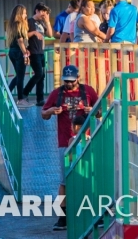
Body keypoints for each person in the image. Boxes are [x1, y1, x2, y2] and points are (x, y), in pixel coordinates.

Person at [41, 65, 98, 231]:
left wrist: (93, 110)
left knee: (92, 177)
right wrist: (52, 110)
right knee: (64, 180)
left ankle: (94, 213)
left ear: (78, 78)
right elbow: (43, 114)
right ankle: (63, 217)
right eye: (66, 82)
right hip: (65, 142)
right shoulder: (57, 93)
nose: (69, 84)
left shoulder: (88, 91)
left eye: (71, 82)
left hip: (88, 140)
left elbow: (102, 110)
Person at [22, 3, 53, 107]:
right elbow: (23, 35)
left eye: (45, 13)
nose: (43, 14)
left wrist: (47, 22)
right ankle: (25, 92)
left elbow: (50, 34)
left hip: (41, 51)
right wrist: (34, 32)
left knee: (42, 75)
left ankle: (40, 99)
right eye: (42, 12)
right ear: (37, 11)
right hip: (33, 51)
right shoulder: (29, 21)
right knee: (38, 73)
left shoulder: (42, 22)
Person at [5, 6, 31, 107]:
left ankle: (7, 93)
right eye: (24, 13)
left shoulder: (11, 24)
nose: (26, 15)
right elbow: (20, 40)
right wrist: (25, 53)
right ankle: (20, 99)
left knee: (19, 76)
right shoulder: (19, 24)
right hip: (19, 52)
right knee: (20, 77)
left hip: (12, 51)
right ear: (20, 14)